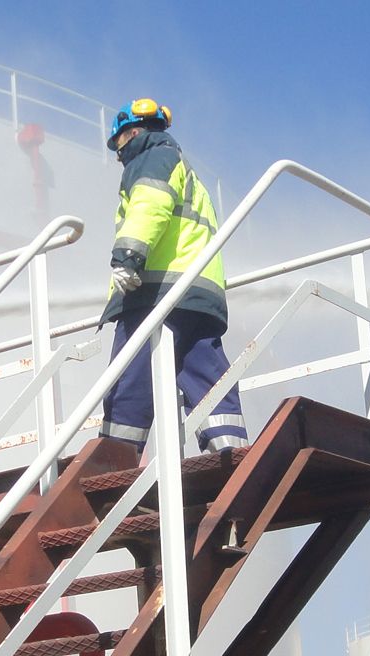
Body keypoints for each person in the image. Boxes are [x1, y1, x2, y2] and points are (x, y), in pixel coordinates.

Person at [99, 98, 249, 455]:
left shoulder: (152, 157)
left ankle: (115, 460)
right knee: (208, 377)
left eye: (119, 144)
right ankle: (231, 454)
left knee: (129, 382)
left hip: (156, 293)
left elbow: (149, 206)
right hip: (198, 297)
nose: (119, 155)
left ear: (132, 133)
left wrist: (127, 258)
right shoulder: (186, 172)